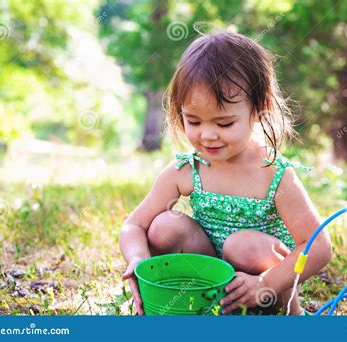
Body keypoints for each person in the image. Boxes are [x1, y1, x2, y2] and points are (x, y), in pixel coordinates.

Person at [119, 30, 331, 315]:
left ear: (260, 108)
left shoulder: (274, 174)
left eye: (224, 123)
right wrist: (137, 260)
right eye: (193, 120)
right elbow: (134, 226)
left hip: (267, 287)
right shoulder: (186, 169)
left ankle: (289, 314)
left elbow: (318, 246)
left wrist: (264, 283)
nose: (208, 135)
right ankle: (206, 307)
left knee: (241, 245)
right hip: (213, 284)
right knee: (164, 225)